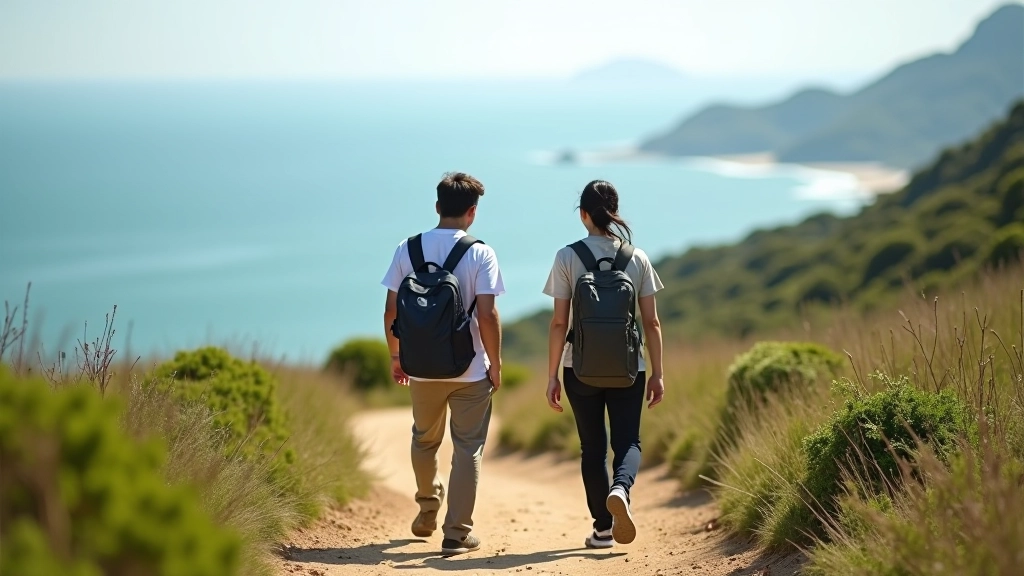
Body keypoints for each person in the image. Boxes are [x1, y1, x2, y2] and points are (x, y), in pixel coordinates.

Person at [381, 172, 505, 556]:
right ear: (472, 212)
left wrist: (397, 357)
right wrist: (495, 363)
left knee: (424, 438)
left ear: (437, 207)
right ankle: (456, 534)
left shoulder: (408, 249)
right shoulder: (481, 252)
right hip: (469, 370)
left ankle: (427, 505)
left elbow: (390, 311)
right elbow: (487, 316)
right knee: (467, 448)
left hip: (421, 367)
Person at [542, 180, 665, 549]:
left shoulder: (567, 257)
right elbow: (652, 323)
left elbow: (559, 323)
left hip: (578, 367)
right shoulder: (637, 258)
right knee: (628, 440)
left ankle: (603, 529)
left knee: (592, 448)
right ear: (613, 211)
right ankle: (621, 490)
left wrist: (551, 376)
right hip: (630, 367)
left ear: (583, 214)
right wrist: (657, 373)